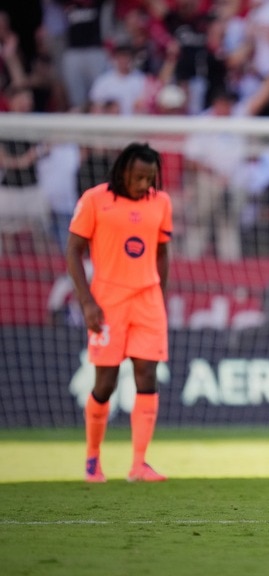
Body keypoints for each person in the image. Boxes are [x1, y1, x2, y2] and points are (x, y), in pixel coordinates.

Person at [66, 142, 172, 483]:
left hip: (147, 300)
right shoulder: (95, 200)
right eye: (139, 177)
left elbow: (162, 253)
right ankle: (92, 460)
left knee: (147, 375)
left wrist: (160, 296)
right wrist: (86, 302)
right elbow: (74, 252)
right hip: (108, 302)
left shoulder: (161, 202)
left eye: (150, 178)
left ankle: (139, 464)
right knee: (105, 382)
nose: (144, 185)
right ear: (123, 171)